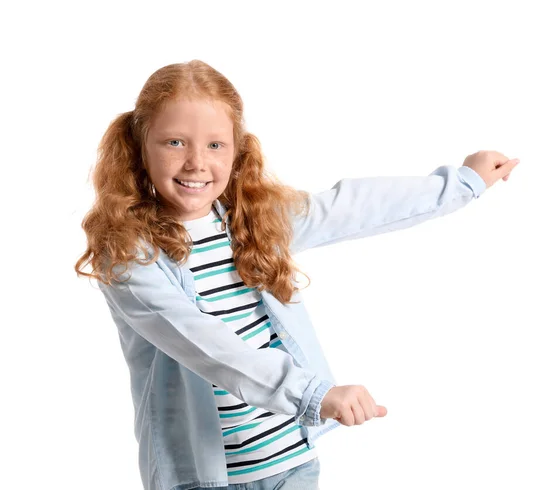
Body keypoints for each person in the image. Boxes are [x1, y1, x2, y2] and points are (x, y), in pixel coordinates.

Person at [75, 59, 520, 490]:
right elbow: (207, 344)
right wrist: (312, 394)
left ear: (238, 150)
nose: (196, 162)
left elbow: (351, 206)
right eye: (174, 142)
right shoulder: (129, 257)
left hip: (292, 462)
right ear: (139, 147)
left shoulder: (251, 221)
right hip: (203, 476)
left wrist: (462, 184)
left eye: (215, 144)